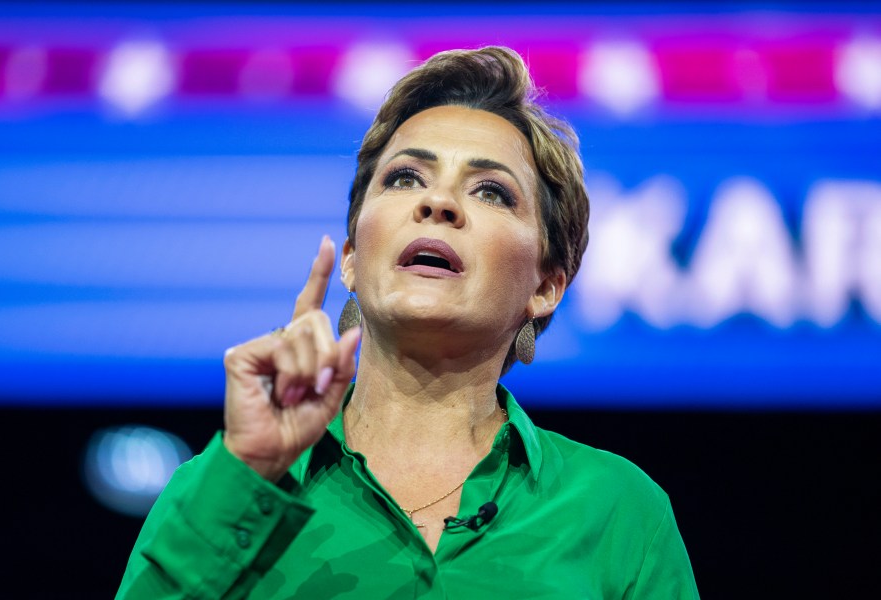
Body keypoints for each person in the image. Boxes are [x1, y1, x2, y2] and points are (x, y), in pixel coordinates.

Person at [117, 46, 699, 598]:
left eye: (492, 192)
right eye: (404, 178)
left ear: (545, 287)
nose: (437, 203)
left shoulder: (620, 511)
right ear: (351, 256)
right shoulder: (225, 485)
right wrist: (246, 473)